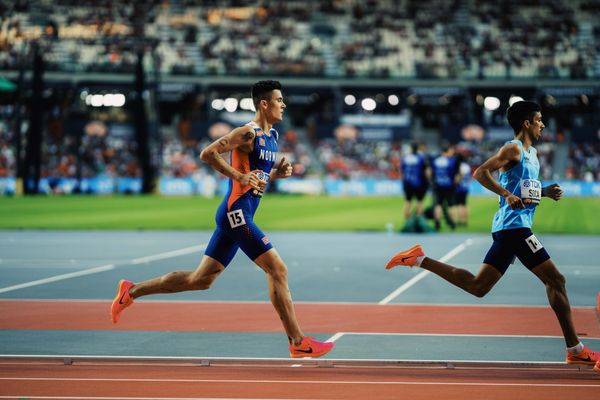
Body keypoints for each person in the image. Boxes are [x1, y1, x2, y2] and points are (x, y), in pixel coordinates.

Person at [111, 80, 334, 359]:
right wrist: (239, 177)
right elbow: (208, 153)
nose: (284, 104)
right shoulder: (246, 133)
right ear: (264, 104)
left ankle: (131, 291)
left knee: (200, 279)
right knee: (278, 269)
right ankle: (298, 341)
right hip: (235, 212)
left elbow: (257, 175)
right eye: (279, 100)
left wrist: (278, 173)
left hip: (240, 214)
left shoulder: (273, 136)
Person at [385, 101, 599, 371]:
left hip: (510, 227)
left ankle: (418, 259)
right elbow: (480, 172)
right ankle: (575, 349)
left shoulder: (531, 154)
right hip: (515, 228)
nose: (543, 124)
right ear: (527, 123)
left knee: (478, 286)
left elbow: (522, 189)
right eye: (539, 119)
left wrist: (544, 192)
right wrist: (506, 195)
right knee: (556, 279)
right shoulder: (513, 148)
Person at [431, 144, 458, 231]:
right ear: (448, 151)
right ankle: (453, 224)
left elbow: (431, 172)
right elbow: (456, 174)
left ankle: (437, 224)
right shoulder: (452, 161)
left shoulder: (436, 161)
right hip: (449, 185)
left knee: (438, 204)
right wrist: (455, 183)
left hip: (438, 184)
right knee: (451, 205)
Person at [400, 142, 430, 221]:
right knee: (419, 202)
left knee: (407, 201)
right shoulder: (421, 157)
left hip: (407, 183)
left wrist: (403, 181)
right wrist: (428, 180)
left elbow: (402, 171)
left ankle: (406, 220)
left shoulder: (405, 158)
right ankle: (419, 220)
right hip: (418, 183)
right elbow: (426, 171)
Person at [452, 152, 471, 227]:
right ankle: (464, 221)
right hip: (465, 187)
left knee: (457, 205)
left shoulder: (459, 166)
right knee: (464, 204)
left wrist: (455, 183)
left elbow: (460, 176)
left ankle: (458, 221)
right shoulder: (467, 166)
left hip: (459, 187)